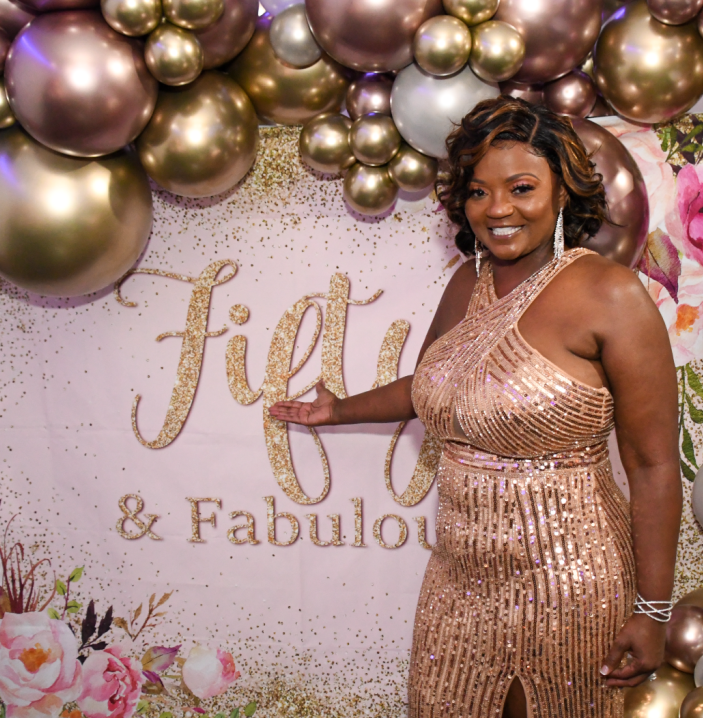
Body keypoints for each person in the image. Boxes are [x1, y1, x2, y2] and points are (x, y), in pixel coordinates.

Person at [269, 96, 681, 718]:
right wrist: (339, 410)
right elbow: (436, 384)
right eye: (479, 192)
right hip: (460, 580)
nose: (499, 210)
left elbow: (653, 466)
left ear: (562, 191)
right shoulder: (468, 280)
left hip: (571, 578)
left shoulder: (609, 293)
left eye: (521, 188)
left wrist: (652, 610)